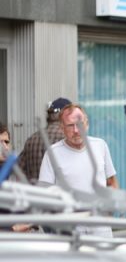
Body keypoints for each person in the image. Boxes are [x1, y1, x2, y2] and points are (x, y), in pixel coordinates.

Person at [38, 104, 118, 237]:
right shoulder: (52, 153)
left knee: (103, 258)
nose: (76, 130)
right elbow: (44, 194)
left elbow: (112, 182)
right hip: (69, 228)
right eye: (70, 125)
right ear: (62, 128)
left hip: (100, 226)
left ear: (87, 124)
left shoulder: (100, 146)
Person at [18, 97, 71, 183]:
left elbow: (19, 169)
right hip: (59, 194)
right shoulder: (68, 138)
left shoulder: (32, 139)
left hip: (35, 194)